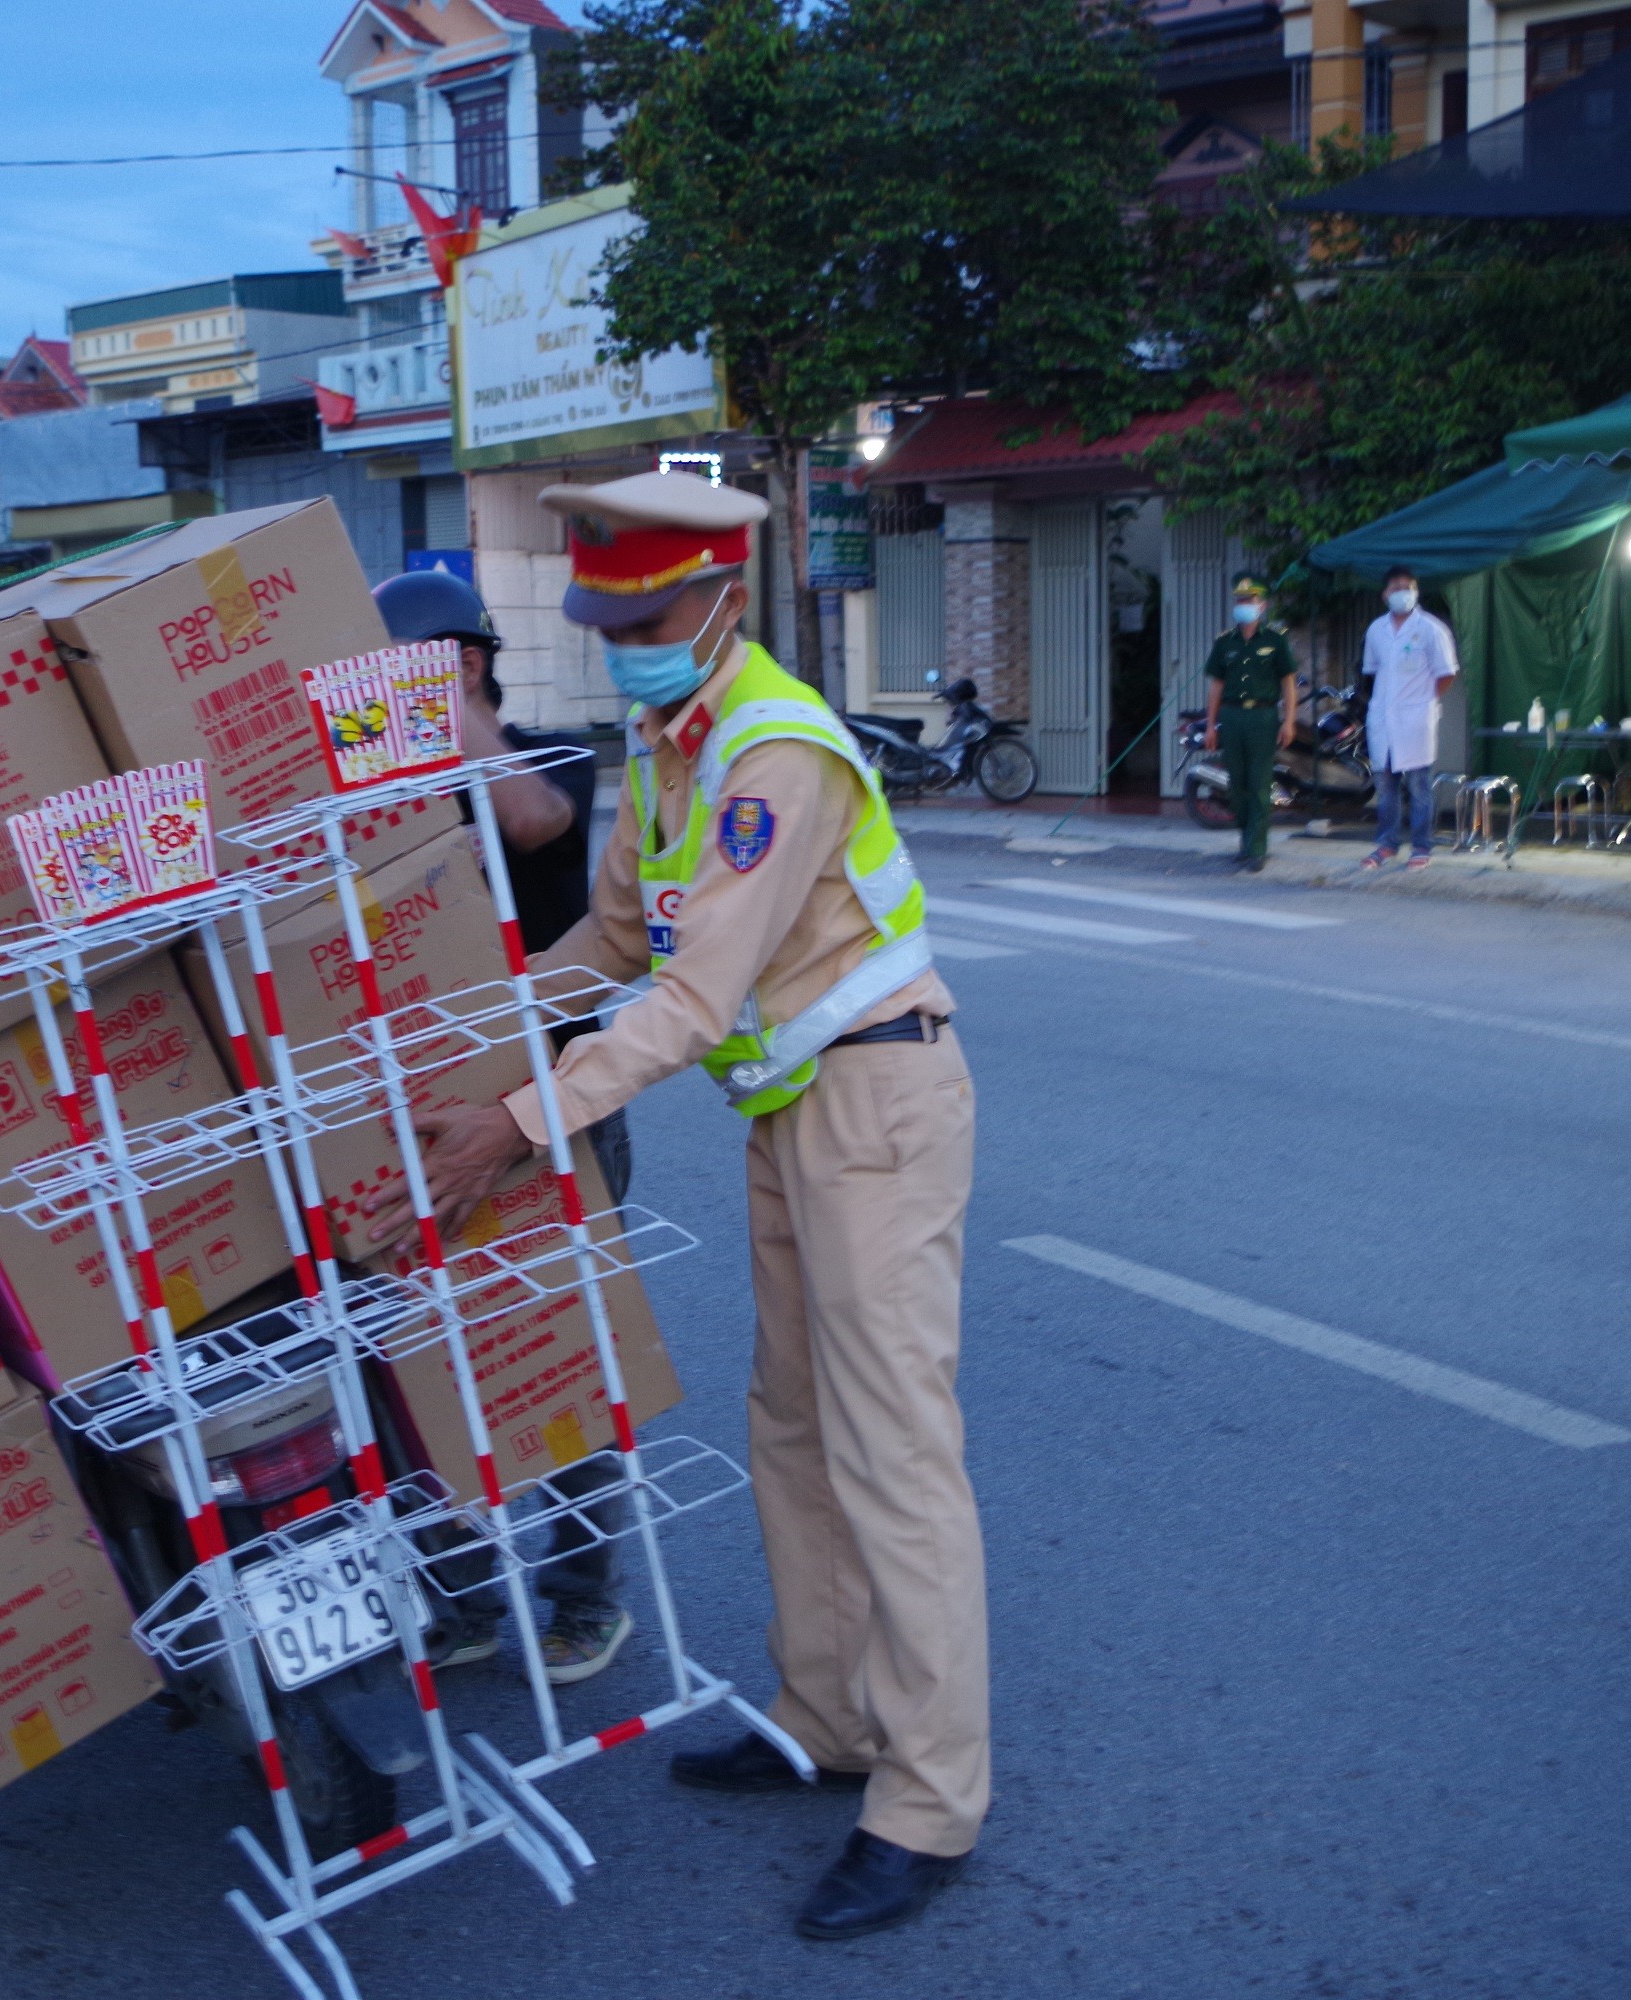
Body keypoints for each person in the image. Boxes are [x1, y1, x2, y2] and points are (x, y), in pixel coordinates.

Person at [365, 471, 986, 1943]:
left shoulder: (775, 752)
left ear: (718, 599)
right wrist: (482, 1029)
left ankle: (929, 1798)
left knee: (894, 1453)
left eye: (640, 616)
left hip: (880, 1104)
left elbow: (695, 993)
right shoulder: (669, 741)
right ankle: (825, 1719)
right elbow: (616, 931)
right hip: (794, 1115)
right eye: (602, 618)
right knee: (793, 1428)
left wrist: (519, 1123)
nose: (618, 640)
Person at [367, 566, 635, 1686]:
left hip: (550, 1106)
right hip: (428, 1108)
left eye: (398, 671)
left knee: (561, 1350)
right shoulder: (381, 792)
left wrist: (452, 709)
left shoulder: (548, 756)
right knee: (417, 1357)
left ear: (465, 665)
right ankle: (462, 1596)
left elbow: (533, 821)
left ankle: (580, 1595)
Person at [1359, 566, 1460, 869]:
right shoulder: (1376, 629)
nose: (1402, 592)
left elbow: (1446, 674)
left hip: (1416, 719)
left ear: (1416, 592)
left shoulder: (1431, 629)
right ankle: (1386, 844)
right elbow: (1374, 671)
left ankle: (1421, 846)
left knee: (1419, 786)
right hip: (1383, 720)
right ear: (1385, 594)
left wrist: (1424, 701)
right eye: (1396, 587)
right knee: (1386, 788)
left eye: (1408, 587)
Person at [1203, 573, 1300, 872]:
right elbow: (1216, 686)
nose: (1244, 604)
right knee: (1236, 784)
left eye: (1250, 600)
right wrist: (1210, 724)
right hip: (1232, 717)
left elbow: (1288, 682)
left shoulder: (1275, 639)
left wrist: (1289, 721)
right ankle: (1245, 841)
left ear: (1262, 604)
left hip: (1263, 716)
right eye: (1240, 600)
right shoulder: (1224, 642)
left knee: (1259, 783)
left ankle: (1257, 848)